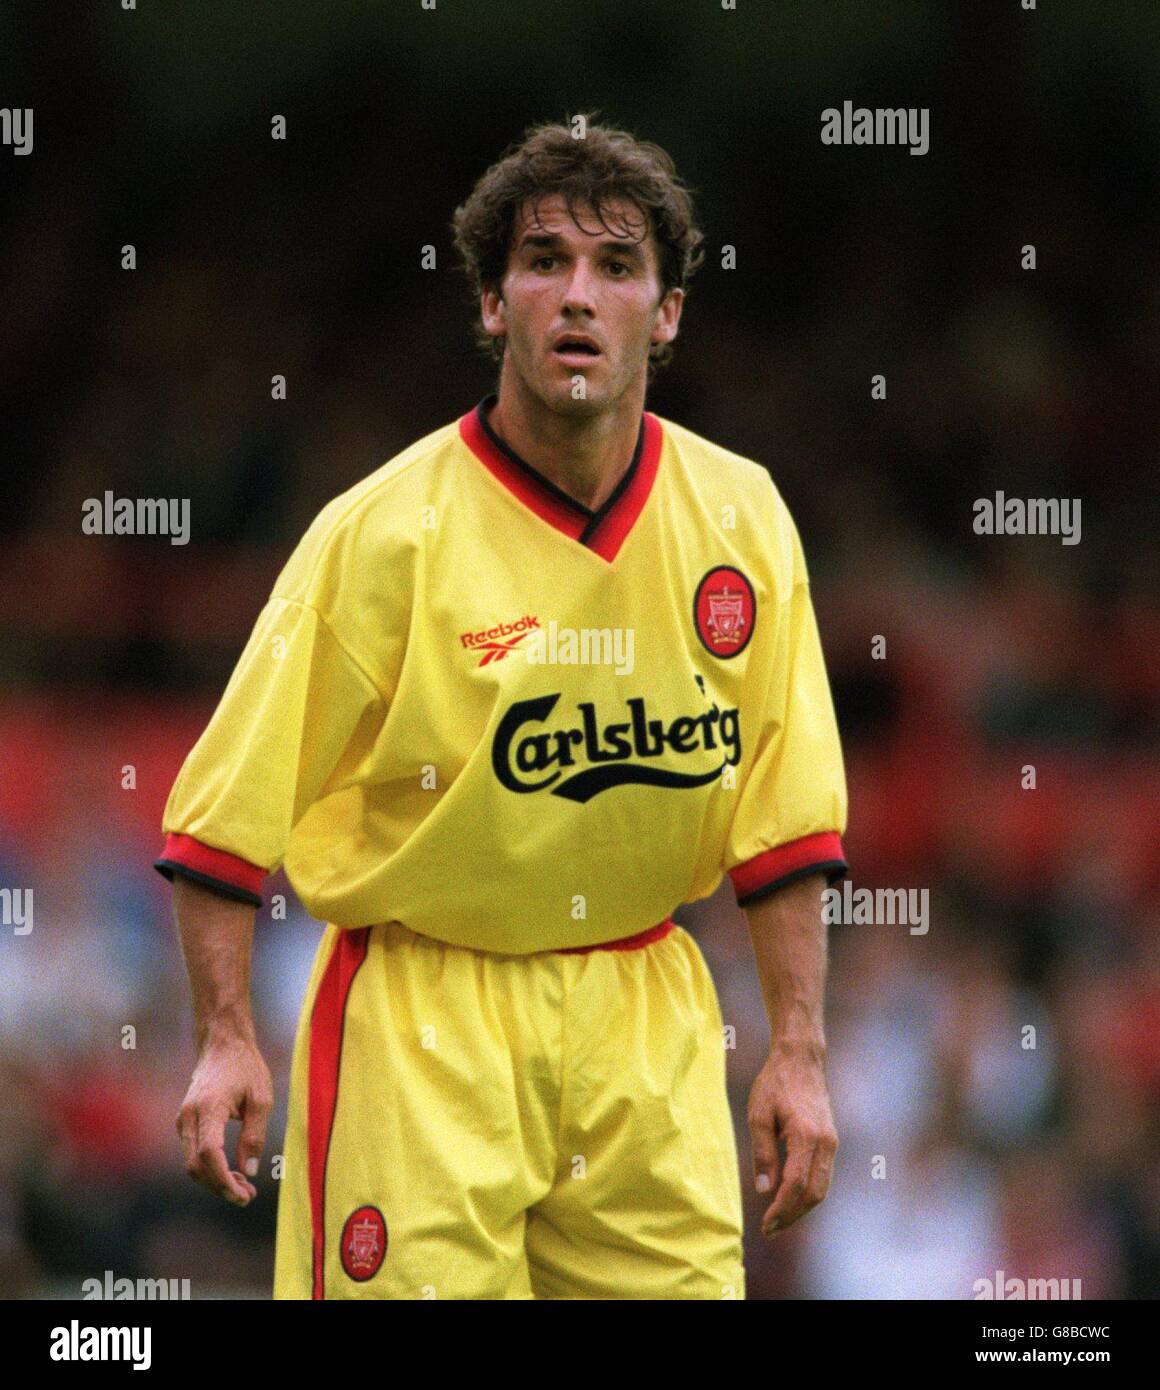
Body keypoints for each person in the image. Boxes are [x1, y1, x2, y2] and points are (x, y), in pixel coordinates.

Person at [156, 116, 848, 1300]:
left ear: (666, 312)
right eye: (542, 262)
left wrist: (797, 1047)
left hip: (646, 1018)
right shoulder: (376, 535)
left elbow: (783, 826)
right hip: (423, 1022)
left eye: (617, 267)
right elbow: (218, 826)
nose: (577, 295)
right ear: (491, 303)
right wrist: (225, 1036)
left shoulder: (743, 517)